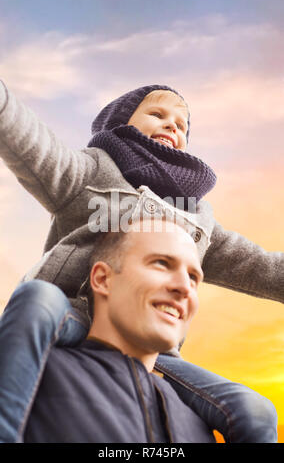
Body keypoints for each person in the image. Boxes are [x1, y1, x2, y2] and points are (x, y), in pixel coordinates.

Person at [0, 80, 280, 443]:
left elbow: (260, 266)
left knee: (255, 409)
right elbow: (29, 139)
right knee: (36, 299)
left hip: (156, 347)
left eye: (182, 125)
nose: (172, 126)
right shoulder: (89, 174)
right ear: (121, 124)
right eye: (158, 114)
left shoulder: (197, 220)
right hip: (70, 315)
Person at [24, 218, 216, 443]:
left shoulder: (199, 423)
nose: (184, 287)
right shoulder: (33, 375)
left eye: (193, 278)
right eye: (162, 263)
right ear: (103, 279)